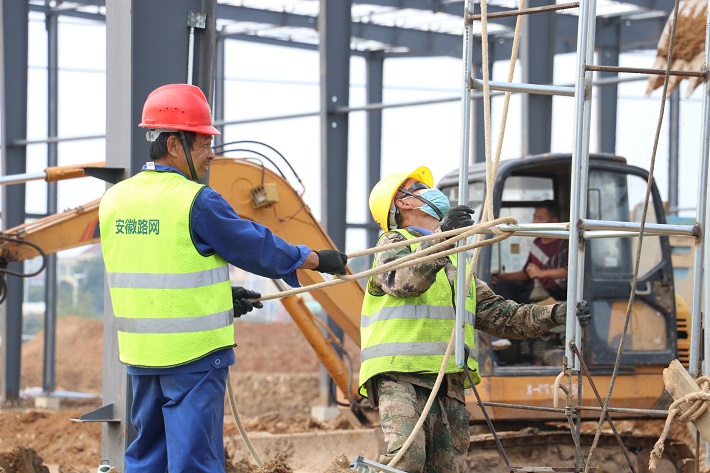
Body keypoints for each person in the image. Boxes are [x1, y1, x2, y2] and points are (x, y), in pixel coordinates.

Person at [98, 83, 348, 473]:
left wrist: (218, 294)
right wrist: (312, 258)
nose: (211, 153)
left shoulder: (114, 200)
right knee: (194, 461)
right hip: (194, 357)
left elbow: (157, 265)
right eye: (202, 143)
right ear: (174, 145)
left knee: (148, 457)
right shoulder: (196, 199)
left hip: (141, 355)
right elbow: (255, 247)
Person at [359, 166, 589, 473]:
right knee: (407, 461)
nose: (428, 191)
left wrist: (556, 314)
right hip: (401, 375)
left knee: (447, 468)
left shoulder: (456, 259)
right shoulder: (391, 245)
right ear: (402, 203)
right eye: (418, 187)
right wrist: (444, 238)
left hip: (448, 380)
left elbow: (503, 316)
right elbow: (407, 281)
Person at [492, 200, 569, 303]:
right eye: (534, 217)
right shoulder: (537, 243)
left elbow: (569, 271)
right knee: (503, 287)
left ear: (554, 222)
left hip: (554, 292)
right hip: (533, 288)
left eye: (540, 218)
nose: (535, 222)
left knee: (521, 300)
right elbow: (527, 273)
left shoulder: (564, 243)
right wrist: (504, 277)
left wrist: (542, 273)